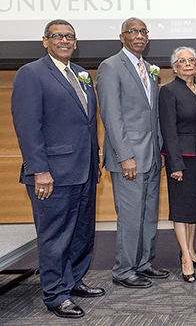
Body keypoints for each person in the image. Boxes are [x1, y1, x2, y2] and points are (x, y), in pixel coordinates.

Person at [11, 19, 103, 318]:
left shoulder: (81, 74)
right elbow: (28, 127)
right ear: (45, 40)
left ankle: (73, 281)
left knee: (81, 232)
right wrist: (39, 170)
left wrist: (95, 159)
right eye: (58, 36)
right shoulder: (31, 73)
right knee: (55, 237)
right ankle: (55, 294)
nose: (64, 41)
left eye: (70, 36)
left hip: (84, 169)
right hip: (52, 173)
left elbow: (88, 124)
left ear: (76, 42)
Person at [97, 17, 169, 289]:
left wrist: (160, 148)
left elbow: (152, 114)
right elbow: (111, 116)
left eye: (143, 31)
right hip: (128, 158)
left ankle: (143, 263)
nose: (139, 36)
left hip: (151, 155)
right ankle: (124, 269)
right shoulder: (111, 66)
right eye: (133, 31)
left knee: (149, 214)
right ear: (122, 36)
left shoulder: (148, 69)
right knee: (129, 216)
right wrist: (125, 155)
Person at [159, 46, 196, 283]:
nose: (187, 63)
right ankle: (185, 260)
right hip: (180, 158)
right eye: (182, 60)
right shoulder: (168, 91)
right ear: (175, 67)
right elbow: (168, 130)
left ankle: (191, 251)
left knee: (193, 211)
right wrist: (175, 164)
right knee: (181, 210)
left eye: (191, 59)